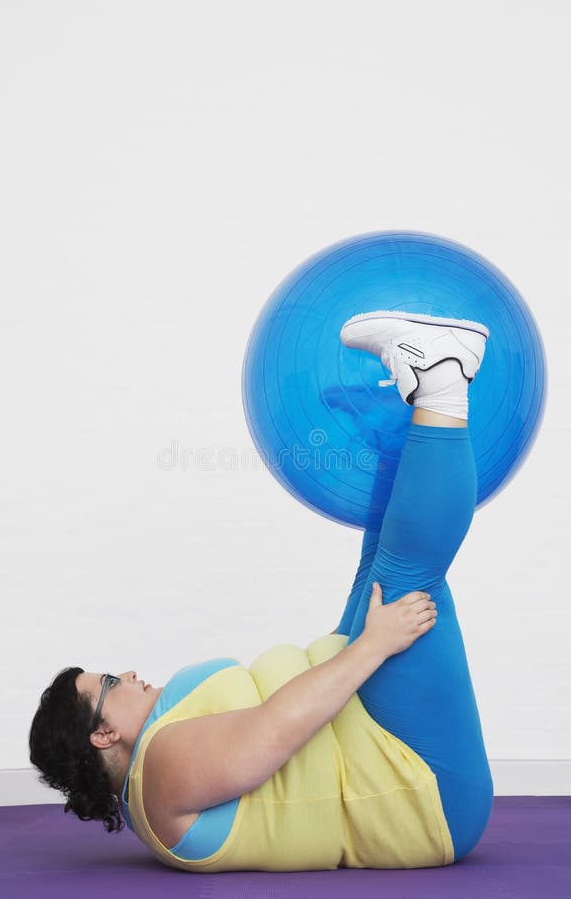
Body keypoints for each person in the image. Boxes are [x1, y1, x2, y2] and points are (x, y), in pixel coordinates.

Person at [29, 311, 493, 872]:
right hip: (420, 792)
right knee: (405, 577)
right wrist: (373, 645)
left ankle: (394, 427)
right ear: (102, 734)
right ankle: (444, 373)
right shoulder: (159, 774)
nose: (125, 674)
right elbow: (276, 729)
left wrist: (360, 644)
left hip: (368, 733)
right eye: (107, 683)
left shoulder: (157, 755)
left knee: (379, 562)